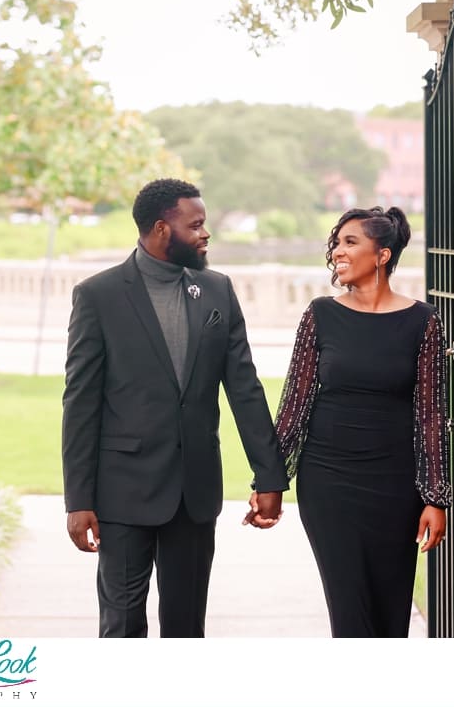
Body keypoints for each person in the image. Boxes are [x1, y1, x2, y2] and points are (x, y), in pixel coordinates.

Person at [61, 178, 288, 637]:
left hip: (195, 492)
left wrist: (270, 477)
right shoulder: (98, 296)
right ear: (162, 229)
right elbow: (80, 402)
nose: (206, 234)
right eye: (197, 224)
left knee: (186, 627)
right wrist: (79, 499)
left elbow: (244, 387)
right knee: (122, 623)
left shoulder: (218, 291)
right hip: (122, 492)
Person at [259, 205, 451, 637]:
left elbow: (431, 416)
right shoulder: (320, 314)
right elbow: (294, 405)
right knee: (350, 613)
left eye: (350, 242)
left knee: (391, 612)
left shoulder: (423, 321)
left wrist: (435, 497)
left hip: (396, 485)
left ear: (382, 255)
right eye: (337, 243)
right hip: (329, 484)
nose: (337, 252)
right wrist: (268, 479)